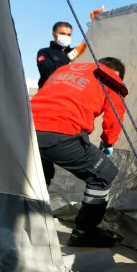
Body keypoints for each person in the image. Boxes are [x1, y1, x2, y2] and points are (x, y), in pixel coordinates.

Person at [30, 58, 127, 247]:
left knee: (40, 173)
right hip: (60, 131)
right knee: (103, 174)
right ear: (116, 73)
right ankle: (83, 233)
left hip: (25, 126)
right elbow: (114, 117)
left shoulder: (65, 70)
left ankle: (28, 223)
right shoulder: (109, 77)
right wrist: (108, 142)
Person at [36, 21, 87, 88]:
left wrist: (96, 22)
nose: (66, 37)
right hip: (49, 94)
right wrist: (69, 57)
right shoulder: (44, 52)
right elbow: (52, 74)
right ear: (54, 34)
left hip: (69, 93)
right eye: (62, 34)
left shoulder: (75, 51)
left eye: (69, 35)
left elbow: (92, 45)